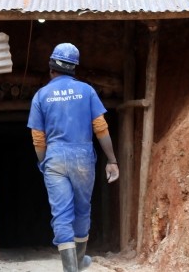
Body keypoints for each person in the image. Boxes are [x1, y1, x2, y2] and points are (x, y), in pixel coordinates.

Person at [27, 42, 120, 272]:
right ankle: (78, 262)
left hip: (54, 158)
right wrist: (112, 160)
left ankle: (73, 268)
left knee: (61, 214)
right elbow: (101, 128)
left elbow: (38, 139)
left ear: (51, 68)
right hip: (83, 157)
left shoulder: (41, 96)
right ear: (74, 68)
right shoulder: (86, 91)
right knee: (82, 210)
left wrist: (44, 163)